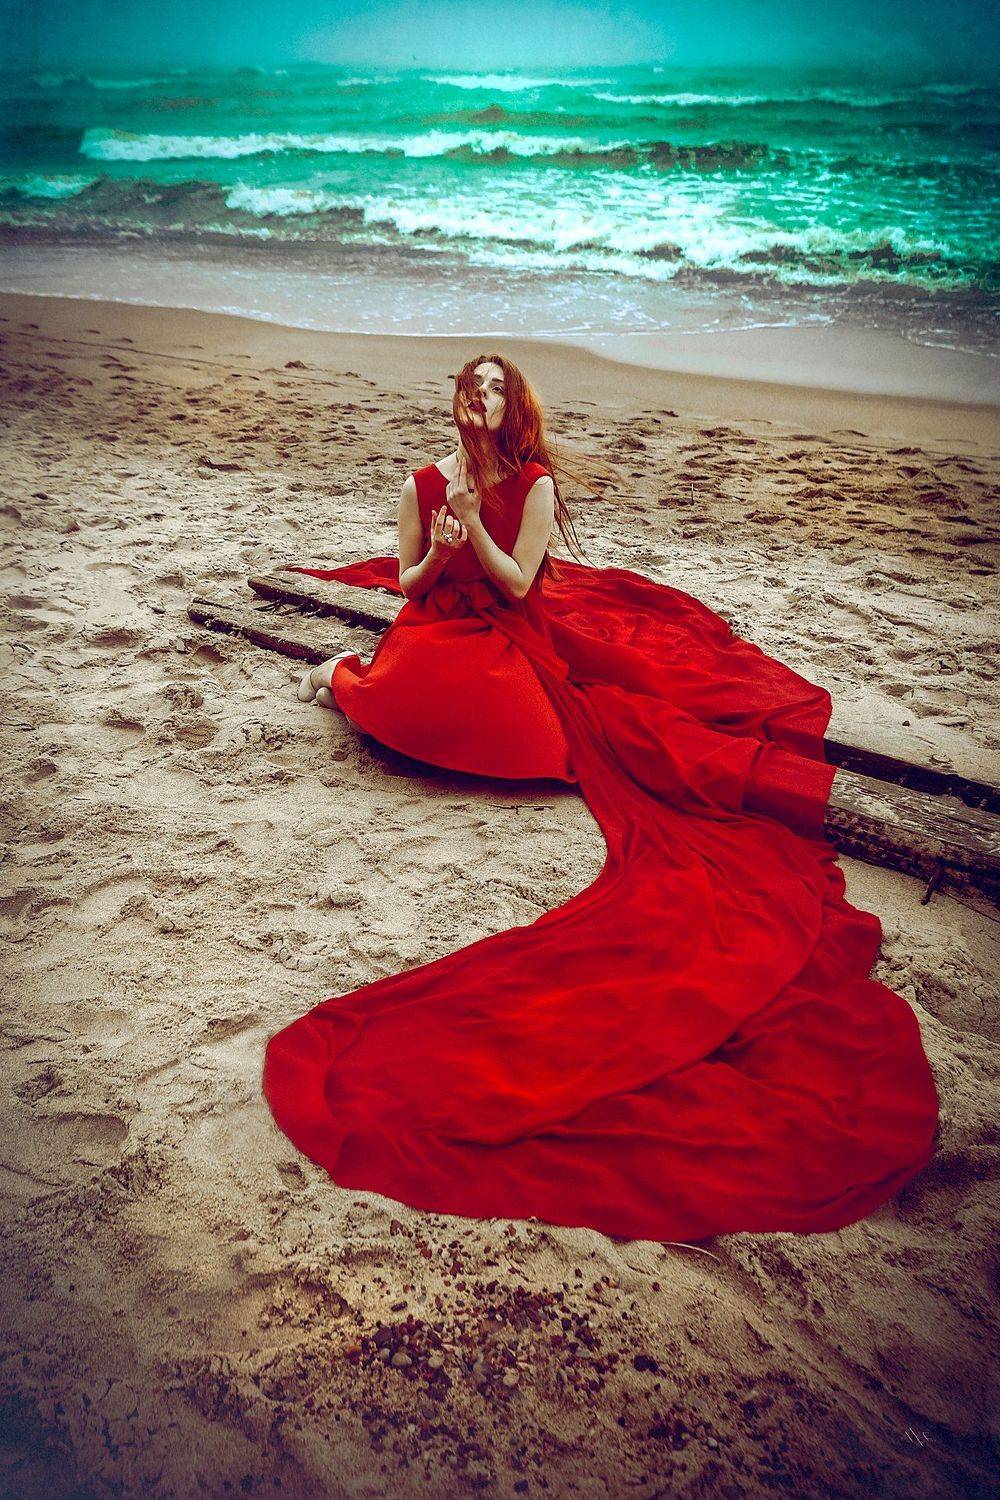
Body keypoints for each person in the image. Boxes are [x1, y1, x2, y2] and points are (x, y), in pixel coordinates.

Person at [263, 353, 939, 1243]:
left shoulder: (533, 484)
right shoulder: (422, 480)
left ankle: (351, 679)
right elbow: (411, 587)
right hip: (435, 632)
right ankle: (351, 678)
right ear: (458, 403)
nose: (482, 398)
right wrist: (437, 543)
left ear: (514, 408)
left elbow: (518, 586)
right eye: (472, 385)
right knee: (402, 690)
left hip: (511, 633)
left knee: (540, 739)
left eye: (497, 387)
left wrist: (480, 529)